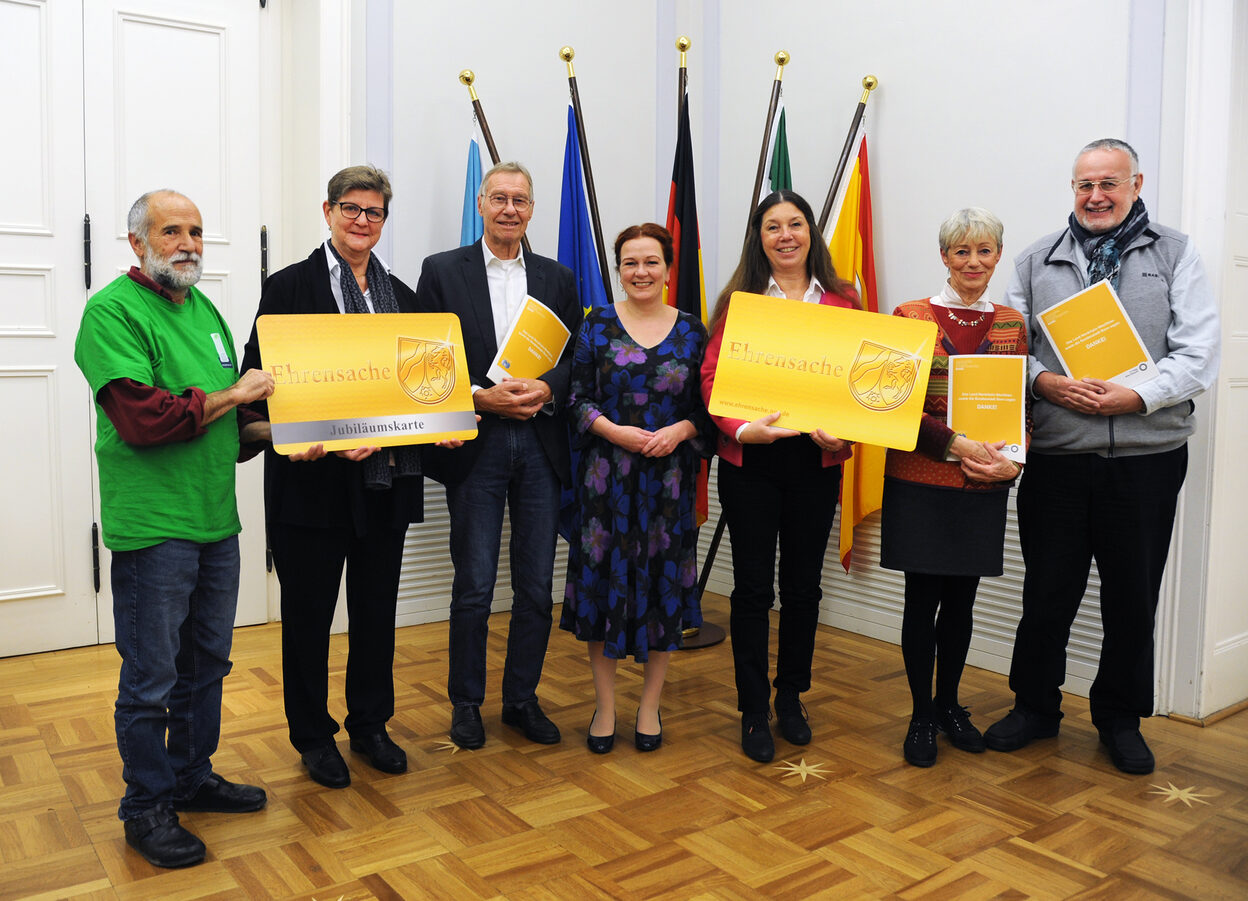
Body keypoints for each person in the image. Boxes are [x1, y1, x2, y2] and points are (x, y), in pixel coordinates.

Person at [985, 139, 1220, 774]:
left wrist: (1134, 396)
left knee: (1131, 595)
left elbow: (1198, 354)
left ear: (1136, 184)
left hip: (1147, 459)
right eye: (1084, 184)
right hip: (1059, 460)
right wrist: (1047, 384)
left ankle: (1119, 719)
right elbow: (1008, 349)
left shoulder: (1176, 253)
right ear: (1073, 188)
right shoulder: (1036, 261)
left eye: (1109, 183)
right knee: (1048, 591)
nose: (1096, 196)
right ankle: (1034, 708)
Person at [73, 190, 274, 868]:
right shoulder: (110, 312)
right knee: (153, 676)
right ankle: (146, 807)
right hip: (154, 528)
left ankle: (191, 776)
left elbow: (224, 425)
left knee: (207, 663)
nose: (188, 242)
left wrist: (283, 432)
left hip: (217, 518)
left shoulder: (209, 312)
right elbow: (145, 418)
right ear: (137, 242)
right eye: (171, 231)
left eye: (195, 231)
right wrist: (237, 395)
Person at [238, 166, 426, 789]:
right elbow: (257, 389)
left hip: (386, 482)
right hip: (312, 486)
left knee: (376, 611)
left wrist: (439, 418)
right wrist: (311, 436)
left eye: (374, 212)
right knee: (310, 615)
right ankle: (313, 735)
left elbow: (415, 386)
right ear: (327, 211)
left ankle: (371, 724)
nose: (362, 221)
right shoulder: (287, 287)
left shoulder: (402, 292)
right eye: (351, 208)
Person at [414, 161, 582, 749]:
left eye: (521, 200)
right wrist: (480, 399)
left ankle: (521, 700)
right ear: (481, 205)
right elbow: (427, 358)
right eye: (500, 198)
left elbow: (574, 357)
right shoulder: (440, 271)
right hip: (478, 444)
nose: (510, 209)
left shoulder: (558, 277)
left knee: (536, 586)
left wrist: (549, 389)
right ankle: (466, 705)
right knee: (475, 586)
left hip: (539, 443)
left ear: (532, 210)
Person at [700, 190, 858, 763]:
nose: (786, 235)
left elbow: (858, 387)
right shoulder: (739, 301)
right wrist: (743, 431)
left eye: (796, 224)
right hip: (752, 464)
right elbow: (712, 378)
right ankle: (751, 709)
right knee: (750, 590)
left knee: (802, 588)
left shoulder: (844, 302)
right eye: (773, 227)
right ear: (759, 238)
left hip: (815, 464)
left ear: (812, 233)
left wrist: (848, 434)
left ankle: (791, 696)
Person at [880, 208, 1029, 767]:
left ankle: (949, 705)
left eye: (984, 251)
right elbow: (892, 404)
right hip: (921, 480)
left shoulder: (1014, 323)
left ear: (996, 256)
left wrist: (1014, 462)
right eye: (961, 251)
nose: (973, 262)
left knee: (962, 604)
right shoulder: (910, 317)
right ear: (944, 256)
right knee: (921, 604)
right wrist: (956, 445)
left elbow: (1021, 411)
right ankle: (920, 714)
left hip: (984, 484)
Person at [560, 224, 713, 753]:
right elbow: (575, 401)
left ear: (668, 269)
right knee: (603, 594)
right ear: (617, 269)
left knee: (663, 595)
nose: (641, 272)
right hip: (605, 486)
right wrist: (613, 430)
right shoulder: (595, 325)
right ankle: (606, 707)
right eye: (630, 263)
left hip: (669, 486)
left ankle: (649, 708)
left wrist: (681, 430)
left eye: (651, 262)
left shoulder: (695, 331)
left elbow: (709, 408)